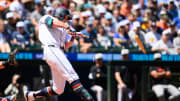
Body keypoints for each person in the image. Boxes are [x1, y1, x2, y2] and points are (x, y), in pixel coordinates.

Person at [24, 7, 94, 101]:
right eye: (66, 18)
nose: (67, 20)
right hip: (51, 49)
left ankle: (32, 95)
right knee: (73, 77)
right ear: (61, 15)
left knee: (58, 89)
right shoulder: (46, 18)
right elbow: (52, 22)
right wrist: (68, 27)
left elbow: (65, 46)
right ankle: (89, 99)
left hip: (58, 52)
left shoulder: (63, 29)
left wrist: (73, 37)